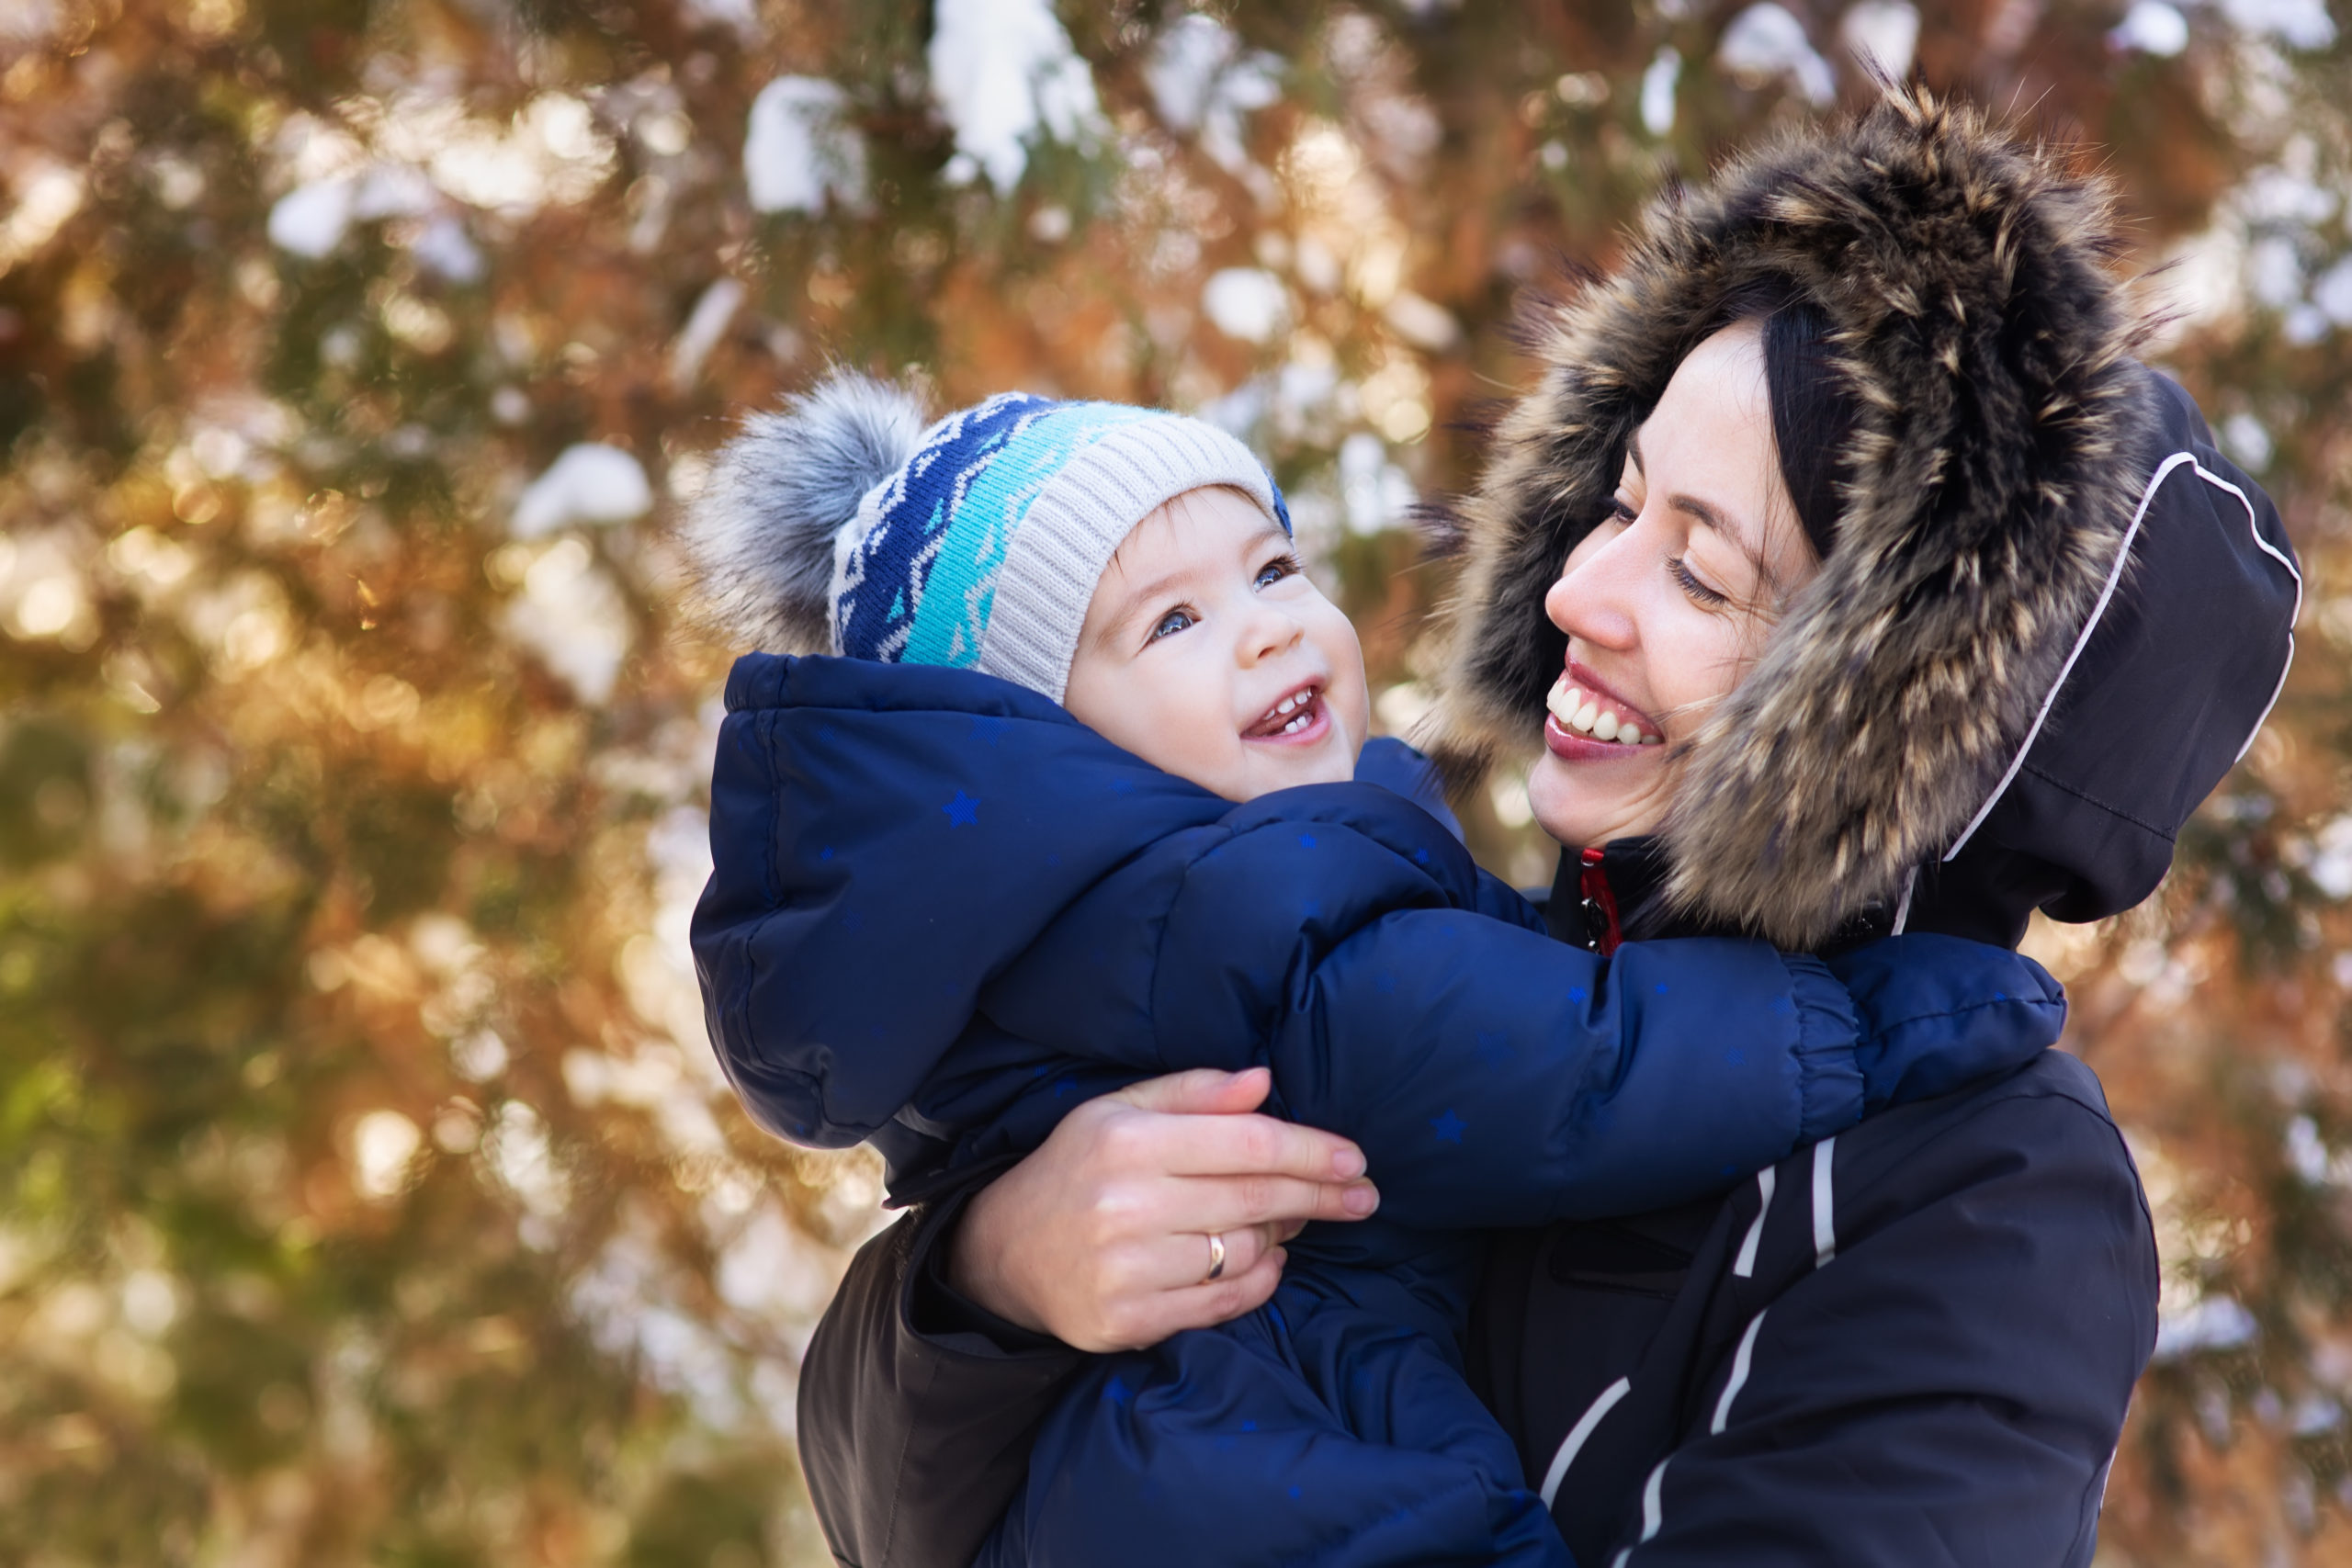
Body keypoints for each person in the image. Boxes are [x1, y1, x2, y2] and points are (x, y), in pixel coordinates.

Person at [790, 87, 2304, 1568]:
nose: (1581, 589)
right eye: (1621, 501)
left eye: (1702, 577)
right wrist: (992, 1277)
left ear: (1889, 716)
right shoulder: (1501, 960)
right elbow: (913, 1509)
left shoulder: (1988, 1193)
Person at [681, 362, 2055, 1567]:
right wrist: (1868, 1028)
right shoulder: (1221, 907)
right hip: (1242, 1429)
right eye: (1171, 624)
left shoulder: (2000, 1183)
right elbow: (1558, 1061)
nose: (1271, 626)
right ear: (1040, 748)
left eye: (1272, 570)